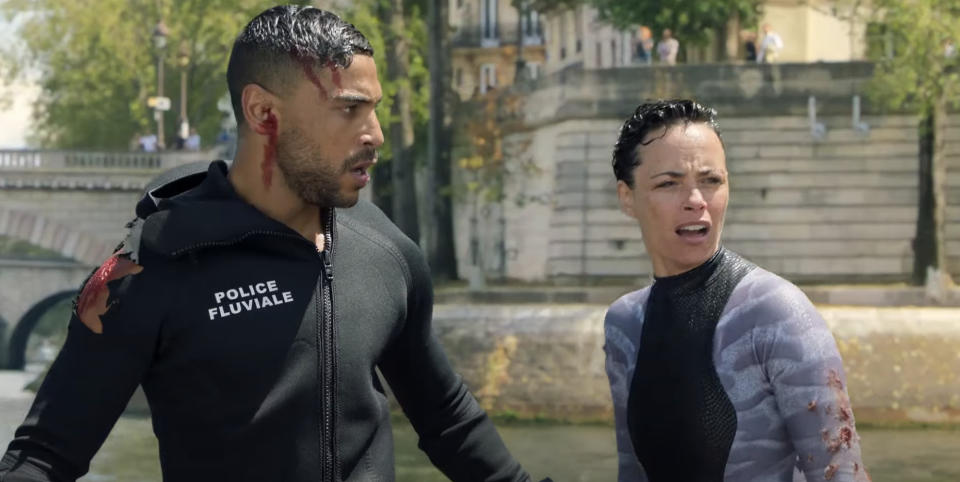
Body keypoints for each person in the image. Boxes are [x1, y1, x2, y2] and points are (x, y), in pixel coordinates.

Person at [0, 6, 537, 482]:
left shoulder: (387, 250)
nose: (374, 133)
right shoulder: (149, 266)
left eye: (374, 108)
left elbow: (449, 423)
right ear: (263, 113)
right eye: (349, 109)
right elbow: (44, 457)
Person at [604, 99, 870, 481]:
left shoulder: (775, 312)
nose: (696, 201)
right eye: (669, 184)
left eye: (711, 181)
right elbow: (631, 472)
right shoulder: (624, 325)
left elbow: (843, 473)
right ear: (627, 197)